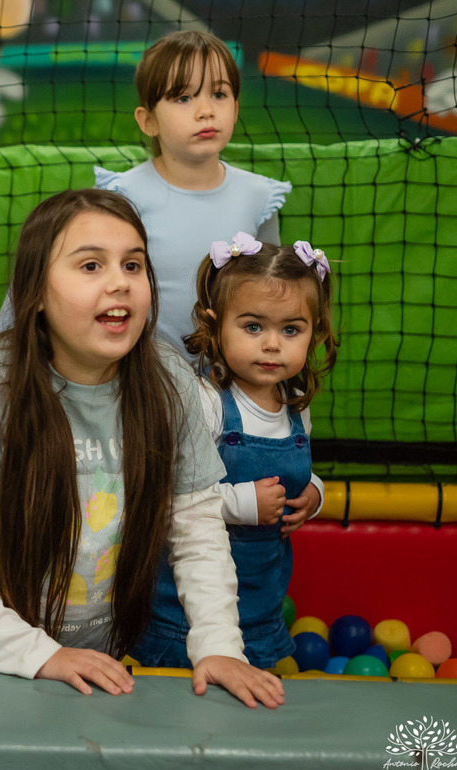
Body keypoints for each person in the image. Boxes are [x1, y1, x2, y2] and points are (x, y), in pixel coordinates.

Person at [0, 188, 285, 709]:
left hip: (93, 657)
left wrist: (218, 644)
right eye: (90, 266)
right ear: (34, 292)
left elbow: (194, 522)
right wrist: (36, 654)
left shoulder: (169, 382)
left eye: (133, 265)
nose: (118, 283)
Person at [0, 30, 291, 358]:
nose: (206, 110)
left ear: (235, 107)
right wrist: (0, 349)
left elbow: (270, 293)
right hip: (142, 379)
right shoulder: (122, 196)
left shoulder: (259, 195)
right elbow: (43, 278)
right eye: (183, 97)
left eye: (219, 94)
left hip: (226, 378)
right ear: (148, 121)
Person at [130, 233, 338, 669]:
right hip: (183, 613)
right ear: (215, 323)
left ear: (314, 333)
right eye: (253, 326)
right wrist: (242, 503)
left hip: (259, 606)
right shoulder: (206, 402)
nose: (272, 344)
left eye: (291, 330)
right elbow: (165, 494)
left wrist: (313, 494)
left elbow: (301, 472)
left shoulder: (295, 402)